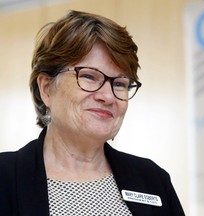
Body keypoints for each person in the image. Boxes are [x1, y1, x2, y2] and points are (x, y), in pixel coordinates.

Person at [0, 10, 185, 216]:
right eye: (89, 76)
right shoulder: (5, 178)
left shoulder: (152, 179)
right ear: (46, 88)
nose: (108, 96)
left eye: (120, 83)